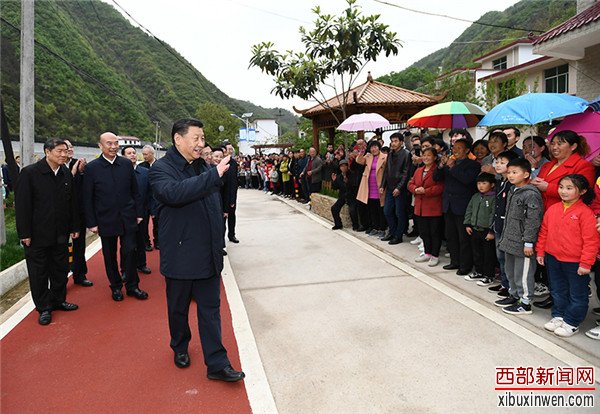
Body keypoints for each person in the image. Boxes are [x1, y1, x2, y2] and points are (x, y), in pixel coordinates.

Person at [149, 118, 245, 382]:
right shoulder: (161, 169)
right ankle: (180, 346)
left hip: (208, 254)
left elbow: (213, 205)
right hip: (180, 255)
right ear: (178, 139)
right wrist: (213, 175)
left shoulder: (203, 166)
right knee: (178, 309)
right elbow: (174, 193)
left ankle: (217, 363)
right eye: (196, 138)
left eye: (203, 139)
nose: (201, 144)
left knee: (210, 310)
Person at [15, 139, 80, 325]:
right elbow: (22, 205)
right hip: (37, 235)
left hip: (61, 233)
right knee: (39, 273)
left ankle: (59, 300)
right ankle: (44, 307)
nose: (64, 155)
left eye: (66, 151)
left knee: (60, 269)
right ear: (47, 152)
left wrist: (75, 227)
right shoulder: (30, 173)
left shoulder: (65, 173)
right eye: (59, 151)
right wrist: (24, 233)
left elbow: (72, 203)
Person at [530, 130, 595, 309]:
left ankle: (570, 305)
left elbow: (584, 193)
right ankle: (555, 297)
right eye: (553, 143)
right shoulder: (548, 165)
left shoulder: (582, 165)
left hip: (568, 220)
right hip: (546, 216)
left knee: (566, 265)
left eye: (560, 143)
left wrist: (548, 187)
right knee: (550, 261)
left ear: (573, 146)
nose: (555, 147)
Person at [83, 132, 148, 302]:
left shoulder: (126, 164)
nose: (113, 147)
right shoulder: (92, 168)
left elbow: (135, 191)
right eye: (109, 144)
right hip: (105, 219)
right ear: (100, 146)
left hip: (128, 217)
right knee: (109, 255)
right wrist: (92, 223)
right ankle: (116, 286)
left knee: (130, 251)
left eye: (115, 143)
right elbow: (87, 198)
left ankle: (133, 286)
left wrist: (139, 213)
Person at [537, 174, 600, 337]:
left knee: (577, 294)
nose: (563, 191)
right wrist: (541, 251)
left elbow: (591, 241)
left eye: (569, 188)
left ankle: (572, 322)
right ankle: (559, 315)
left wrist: (586, 263)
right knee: (557, 290)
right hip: (553, 258)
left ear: (582, 191)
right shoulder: (553, 209)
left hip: (575, 262)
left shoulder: (585, 213)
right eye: (561, 187)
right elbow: (544, 231)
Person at [495, 158, 543, 315]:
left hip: (523, 243)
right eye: (509, 172)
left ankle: (525, 303)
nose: (510, 175)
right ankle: (514, 295)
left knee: (523, 273)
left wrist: (529, 242)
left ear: (526, 174)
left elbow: (533, 220)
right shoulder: (513, 190)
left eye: (515, 172)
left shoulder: (531, 194)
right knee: (511, 271)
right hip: (510, 239)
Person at [437, 139, 480, 275]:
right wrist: (441, 165)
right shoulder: (450, 163)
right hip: (448, 204)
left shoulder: (473, 165)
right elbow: (437, 177)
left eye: (459, 148)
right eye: (454, 147)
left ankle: (465, 265)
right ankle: (454, 261)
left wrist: (452, 167)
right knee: (451, 235)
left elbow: (467, 180)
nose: (455, 150)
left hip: (463, 205)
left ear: (467, 150)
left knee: (463, 238)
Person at [487, 151, 519, 297]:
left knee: (508, 258)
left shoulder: (513, 185)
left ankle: (511, 287)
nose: (498, 165)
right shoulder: (500, 182)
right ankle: (504, 283)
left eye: (502, 162)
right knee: (500, 256)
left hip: (508, 226)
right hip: (498, 225)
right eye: (497, 162)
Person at [64, 139, 93, 287]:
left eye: (71, 147)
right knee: (60, 249)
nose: (69, 149)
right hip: (61, 214)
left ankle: (80, 275)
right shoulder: (55, 167)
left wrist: (81, 172)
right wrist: (73, 172)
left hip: (78, 213)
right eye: (66, 147)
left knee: (79, 246)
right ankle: (61, 279)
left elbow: (86, 188)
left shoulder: (80, 164)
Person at [407, 147, 444, 266]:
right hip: (420, 207)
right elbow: (410, 183)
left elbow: (440, 187)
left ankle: (435, 255)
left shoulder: (437, 170)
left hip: (433, 206)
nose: (426, 157)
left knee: (434, 232)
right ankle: (427, 253)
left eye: (429, 155)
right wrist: (415, 189)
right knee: (424, 232)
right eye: (424, 155)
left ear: (435, 157)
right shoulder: (419, 170)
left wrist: (426, 191)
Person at [121, 146, 152, 276]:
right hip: (125, 214)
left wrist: (151, 210)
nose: (133, 155)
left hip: (142, 212)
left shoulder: (145, 172)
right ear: (123, 156)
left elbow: (150, 193)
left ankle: (141, 264)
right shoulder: (119, 173)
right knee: (126, 244)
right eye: (129, 153)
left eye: (134, 152)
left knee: (141, 240)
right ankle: (125, 269)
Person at [463, 172, 496, 283]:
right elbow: (469, 210)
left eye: (484, 183)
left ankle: (489, 275)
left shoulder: (493, 198)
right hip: (475, 229)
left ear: (492, 184)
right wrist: (467, 224)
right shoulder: (476, 196)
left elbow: (493, 214)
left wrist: (491, 230)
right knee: (477, 253)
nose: (481, 186)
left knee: (488, 254)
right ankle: (479, 271)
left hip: (487, 231)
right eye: (479, 183)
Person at [381, 133, 411, 245]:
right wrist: (382, 185)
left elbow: (406, 173)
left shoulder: (406, 154)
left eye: (396, 141)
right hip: (390, 187)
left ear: (401, 142)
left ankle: (398, 236)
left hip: (400, 189)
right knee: (387, 211)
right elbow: (386, 171)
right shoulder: (390, 154)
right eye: (392, 141)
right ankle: (392, 232)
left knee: (399, 213)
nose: (393, 143)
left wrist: (399, 188)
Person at [356, 140, 387, 237]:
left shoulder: (385, 157)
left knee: (380, 209)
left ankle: (382, 228)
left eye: (375, 147)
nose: (374, 149)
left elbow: (387, 172)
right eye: (372, 147)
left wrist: (384, 185)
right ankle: (375, 227)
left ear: (379, 147)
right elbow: (359, 161)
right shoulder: (368, 156)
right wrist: (361, 152)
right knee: (372, 208)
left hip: (380, 186)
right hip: (369, 186)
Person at [330, 159, 358, 230]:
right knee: (334, 208)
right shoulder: (339, 177)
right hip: (342, 197)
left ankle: (355, 225)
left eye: (345, 166)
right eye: (341, 166)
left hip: (351, 196)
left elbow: (355, 186)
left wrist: (347, 182)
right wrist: (334, 181)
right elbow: (334, 188)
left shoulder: (352, 174)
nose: (343, 167)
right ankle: (338, 224)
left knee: (352, 210)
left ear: (347, 166)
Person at [140, 144, 158, 251]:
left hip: (157, 198)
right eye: (143, 154)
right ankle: (146, 242)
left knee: (157, 222)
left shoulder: (160, 165)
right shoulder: (141, 166)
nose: (144, 156)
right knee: (144, 224)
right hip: (145, 199)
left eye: (146, 154)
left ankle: (158, 241)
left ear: (152, 154)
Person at [222, 142, 239, 243]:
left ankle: (232, 235)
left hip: (231, 193)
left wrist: (233, 197)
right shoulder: (220, 163)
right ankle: (221, 239)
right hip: (221, 194)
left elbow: (234, 181)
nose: (231, 151)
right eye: (229, 149)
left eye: (231, 149)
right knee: (222, 218)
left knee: (232, 215)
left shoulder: (233, 163)